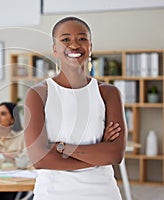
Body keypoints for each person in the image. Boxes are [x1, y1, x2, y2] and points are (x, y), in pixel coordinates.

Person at [24, 16, 127, 200]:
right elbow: (39, 159)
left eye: (82, 38)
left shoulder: (109, 93)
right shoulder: (38, 94)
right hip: (53, 194)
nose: (74, 45)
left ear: (90, 46)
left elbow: (115, 154)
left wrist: (61, 147)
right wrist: (97, 155)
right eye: (65, 40)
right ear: (55, 49)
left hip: (102, 193)